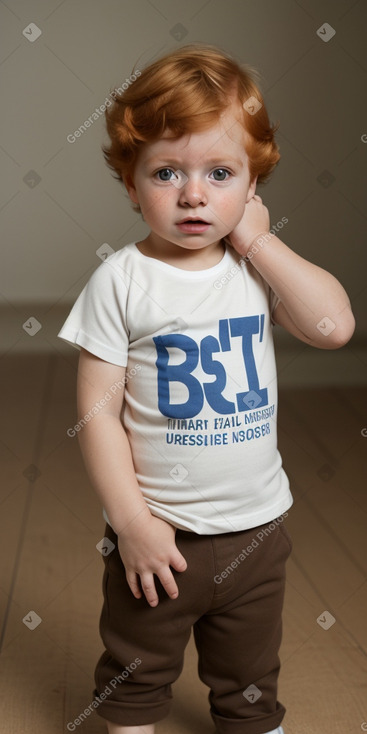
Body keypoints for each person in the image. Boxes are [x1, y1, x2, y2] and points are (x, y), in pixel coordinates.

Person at [58, 44, 355, 734]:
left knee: (249, 673)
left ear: (253, 187)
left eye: (220, 173)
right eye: (166, 172)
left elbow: (332, 326)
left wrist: (262, 245)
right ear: (131, 185)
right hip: (163, 534)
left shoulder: (254, 269)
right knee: (137, 665)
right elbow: (96, 414)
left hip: (257, 529)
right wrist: (132, 523)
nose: (194, 194)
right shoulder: (122, 281)